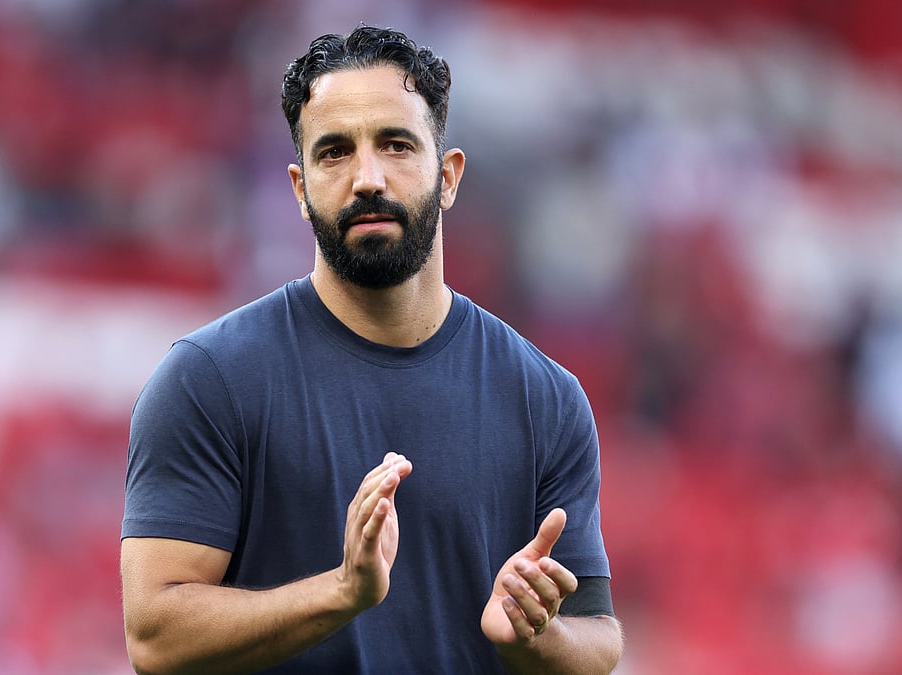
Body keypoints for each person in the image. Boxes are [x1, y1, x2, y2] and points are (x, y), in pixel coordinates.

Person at [120, 25, 623, 674]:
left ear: (447, 176)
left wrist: (533, 637)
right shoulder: (208, 379)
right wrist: (340, 594)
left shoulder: (543, 397)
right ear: (300, 190)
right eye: (334, 152)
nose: (366, 177)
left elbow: (599, 639)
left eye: (395, 144)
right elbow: (155, 638)